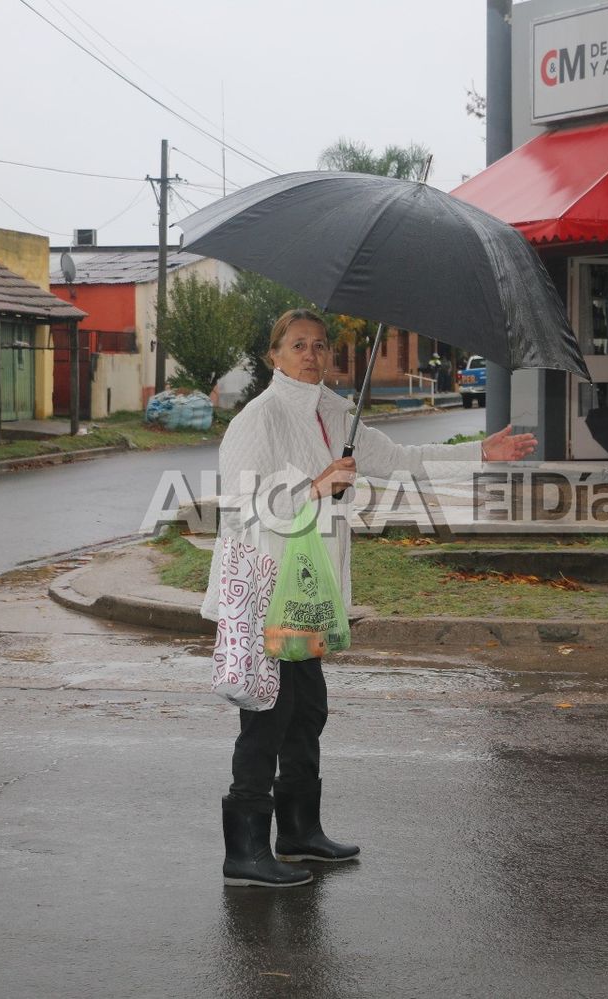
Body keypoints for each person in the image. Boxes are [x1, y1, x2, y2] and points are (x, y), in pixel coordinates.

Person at [202, 308, 536, 888]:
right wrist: (315, 485)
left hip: (307, 594)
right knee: (268, 715)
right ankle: (245, 850)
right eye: (298, 344)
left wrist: (482, 453)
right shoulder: (259, 418)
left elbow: (404, 461)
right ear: (273, 356)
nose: (312, 353)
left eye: (321, 344)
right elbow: (241, 503)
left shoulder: (335, 412)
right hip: (265, 589)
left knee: (307, 711)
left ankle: (300, 831)